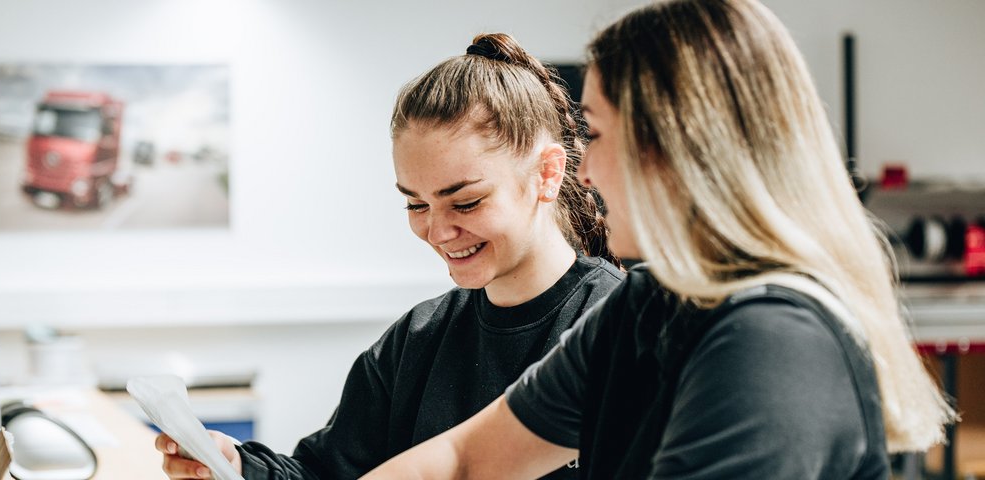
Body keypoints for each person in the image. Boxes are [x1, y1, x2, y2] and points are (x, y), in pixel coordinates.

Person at [364, 0, 956, 478]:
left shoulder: (773, 342)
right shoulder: (646, 307)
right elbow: (466, 460)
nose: (585, 170)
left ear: (674, 148)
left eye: (594, 133)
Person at [155, 33, 624, 479]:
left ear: (547, 173)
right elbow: (326, 470)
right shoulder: (418, 339)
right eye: (416, 203)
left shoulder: (621, 324)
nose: (437, 231)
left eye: (466, 202)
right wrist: (237, 468)